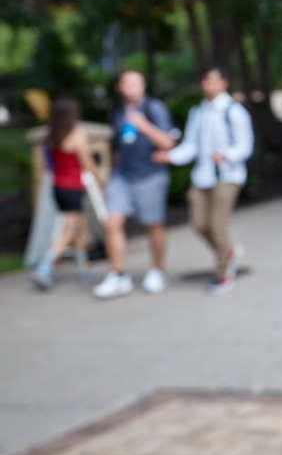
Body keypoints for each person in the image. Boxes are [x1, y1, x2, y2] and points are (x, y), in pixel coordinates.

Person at [155, 66, 253, 295]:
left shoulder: (234, 111)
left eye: (214, 81)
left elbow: (245, 145)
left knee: (218, 225)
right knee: (199, 224)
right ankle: (228, 251)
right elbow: (191, 145)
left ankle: (222, 274)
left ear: (224, 83)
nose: (209, 85)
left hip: (227, 176)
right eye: (206, 81)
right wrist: (170, 156)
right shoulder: (198, 112)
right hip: (203, 176)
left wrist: (227, 155)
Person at [94, 70, 176, 300]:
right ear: (120, 87)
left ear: (144, 85)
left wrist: (143, 125)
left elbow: (168, 142)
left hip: (150, 175)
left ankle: (157, 270)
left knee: (154, 225)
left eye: (137, 83)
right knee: (112, 222)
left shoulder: (154, 108)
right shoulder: (118, 112)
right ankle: (118, 274)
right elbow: (119, 146)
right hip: (123, 175)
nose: (133, 88)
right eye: (128, 84)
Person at [30, 99, 101, 290]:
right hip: (73, 187)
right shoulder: (76, 135)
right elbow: (86, 162)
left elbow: (47, 164)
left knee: (79, 226)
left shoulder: (52, 136)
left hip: (58, 187)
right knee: (68, 231)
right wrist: (100, 177)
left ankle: (81, 266)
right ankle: (44, 267)